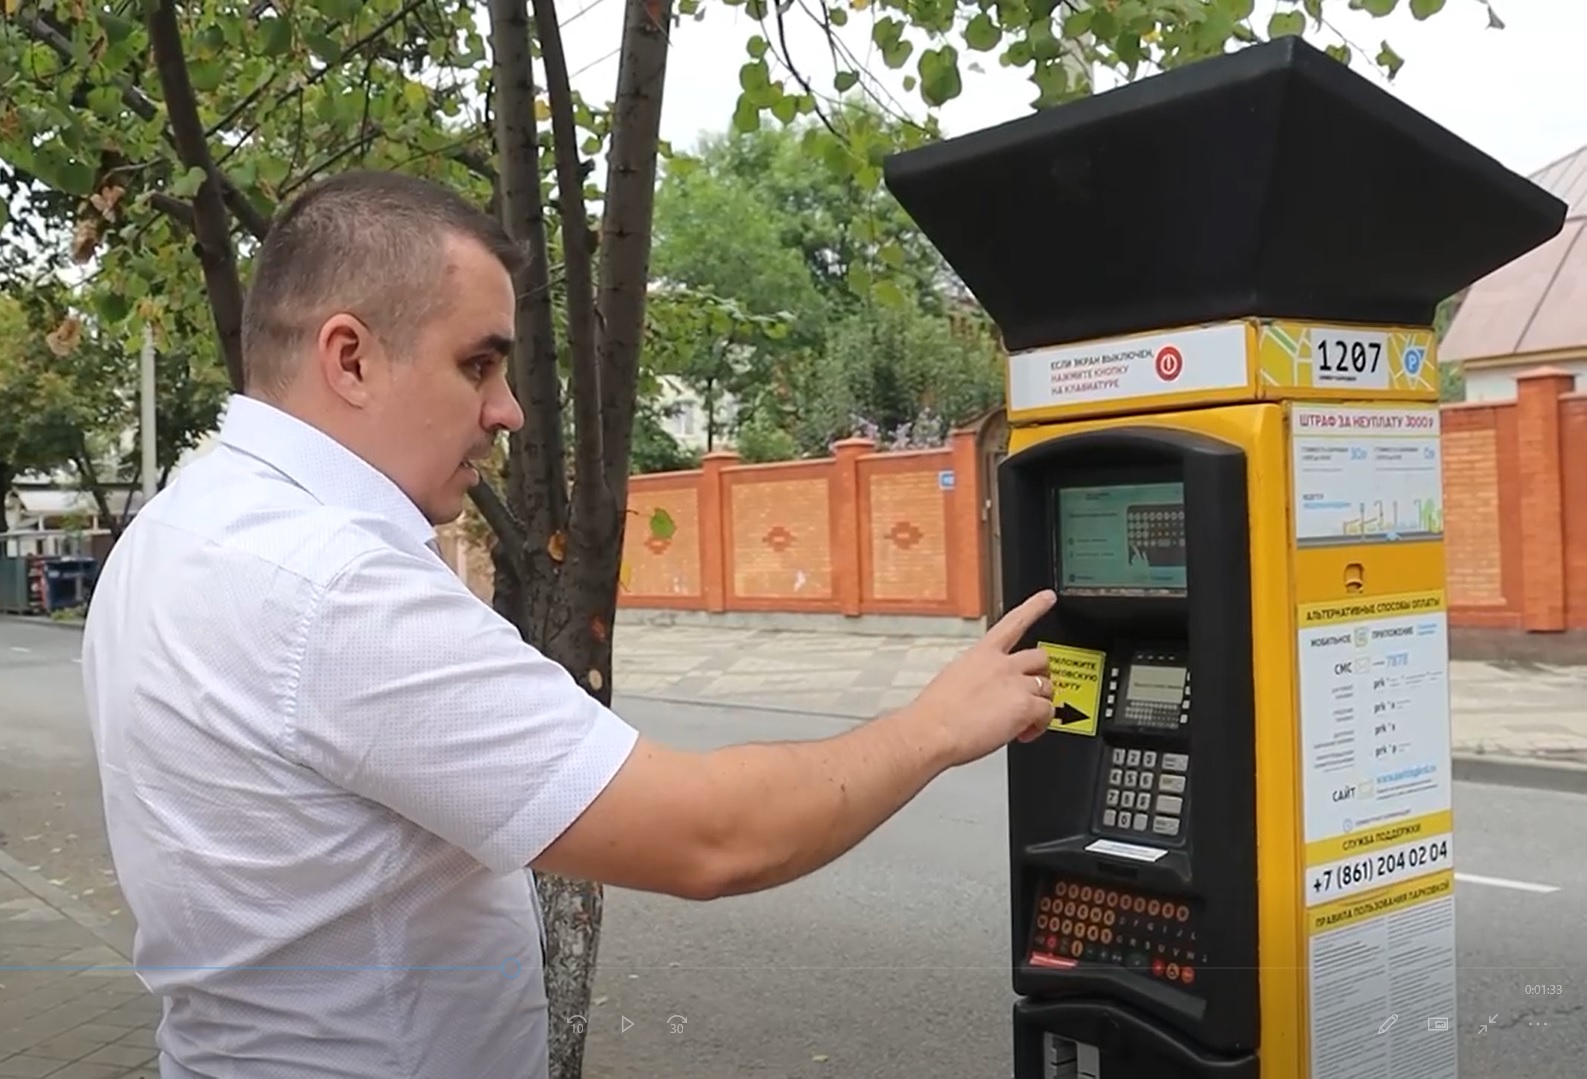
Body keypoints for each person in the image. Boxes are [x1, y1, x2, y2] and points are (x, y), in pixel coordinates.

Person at [80, 169, 1059, 1079]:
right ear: (351, 357)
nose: (506, 409)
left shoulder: (169, 533)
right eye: (478, 364)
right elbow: (713, 835)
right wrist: (934, 725)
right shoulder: (339, 589)